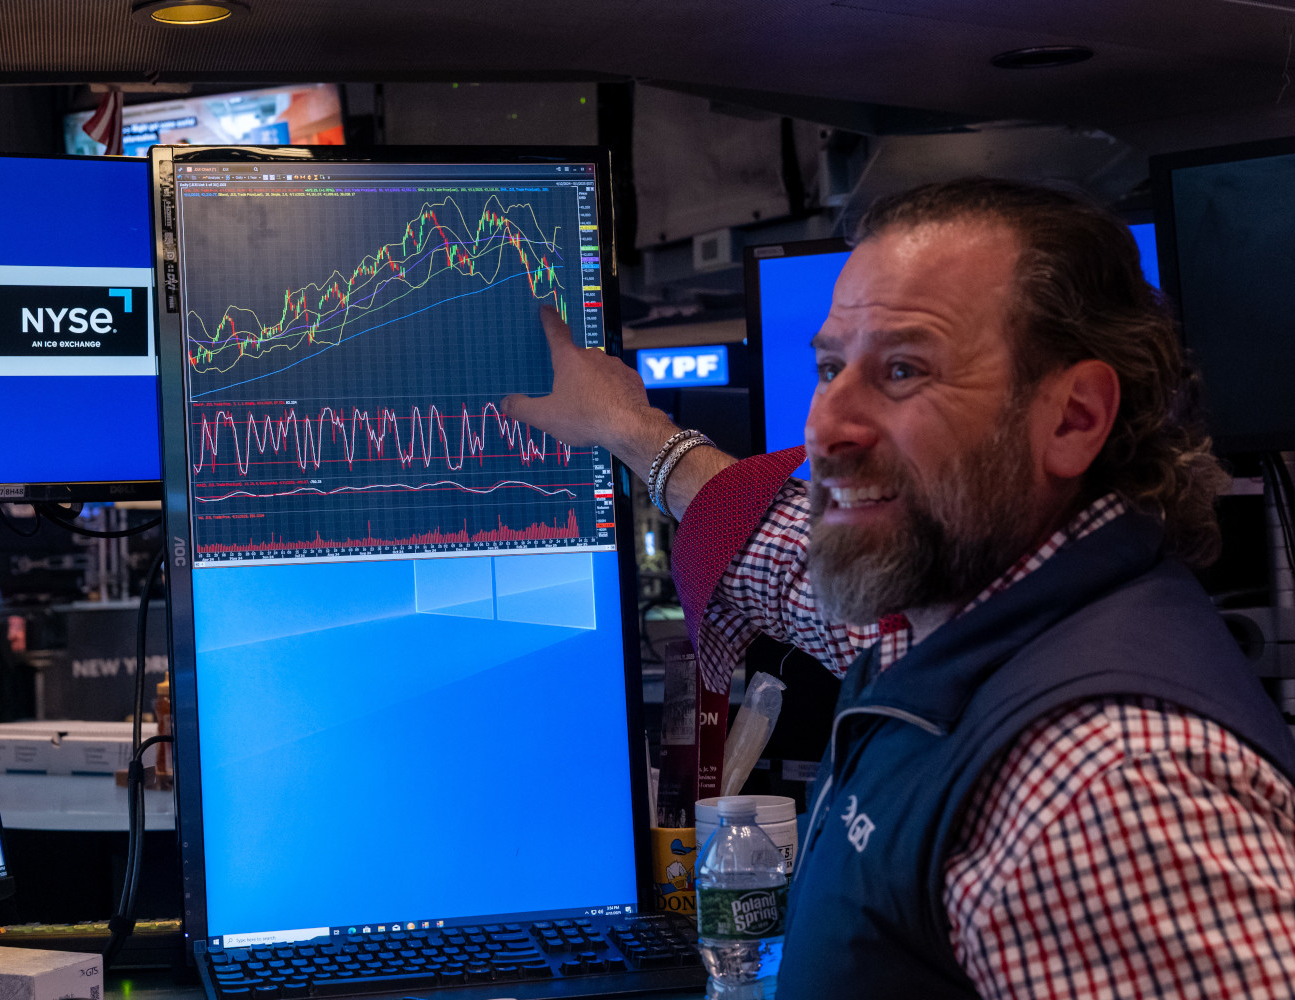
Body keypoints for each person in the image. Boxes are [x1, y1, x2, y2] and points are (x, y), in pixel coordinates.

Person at [501, 178, 1295, 998]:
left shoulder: (1105, 788)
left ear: (1073, 418)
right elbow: (782, 557)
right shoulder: (967, 630)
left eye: (904, 370)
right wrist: (630, 429)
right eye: (830, 367)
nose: (824, 426)